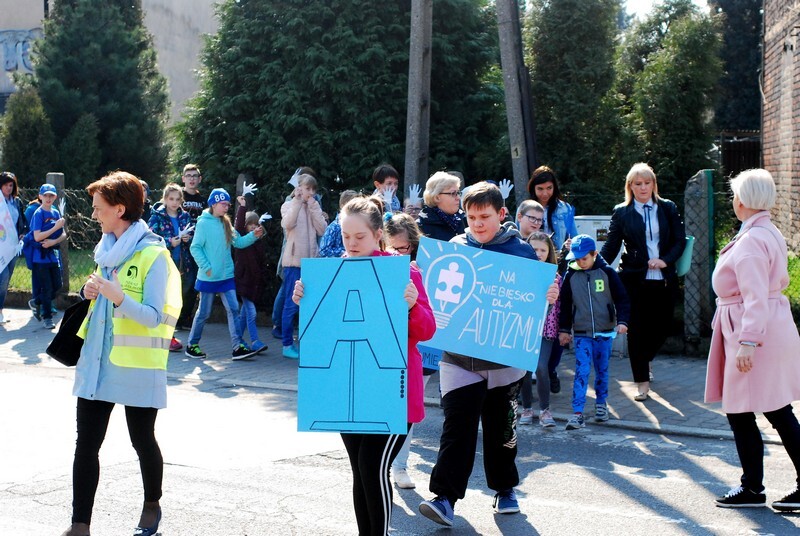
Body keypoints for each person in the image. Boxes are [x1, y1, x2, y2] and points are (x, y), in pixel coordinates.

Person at [292, 196, 435, 535]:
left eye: (360, 237)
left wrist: (413, 306)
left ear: (377, 236)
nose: (352, 244)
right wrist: (305, 299)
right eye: (346, 237)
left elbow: (427, 330)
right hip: (348, 393)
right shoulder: (331, 274)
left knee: (372, 467)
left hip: (390, 395)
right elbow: (322, 335)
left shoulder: (403, 271)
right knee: (361, 472)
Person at [419, 182, 559, 527]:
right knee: (456, 428)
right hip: (458, 358)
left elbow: (535, 302)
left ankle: (505, 489)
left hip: (505, 363)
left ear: (501, 214)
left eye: (485, 216)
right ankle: (444, 498)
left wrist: (549, 295)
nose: (478, 223)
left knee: (501, 430)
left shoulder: (522, 253)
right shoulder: (454, 248)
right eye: (471, 216)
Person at [61, 171, 182, 536]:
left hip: (136, 367)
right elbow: (100, 305)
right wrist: (88, 292)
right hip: (97, 363)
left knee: (142, 440)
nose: (94, 215)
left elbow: (154, 316)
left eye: (99, 208)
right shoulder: (106, 251)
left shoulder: (154, 255)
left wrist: (118, 296)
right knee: (86, 445)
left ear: (120, 208)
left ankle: (152, 503)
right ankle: (79, 525)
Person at [705, 169, 800, 511]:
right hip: (767, 328)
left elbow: (755, 296)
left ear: (741, 200)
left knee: (745, 411)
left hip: (751, 332)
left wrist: (748, 342)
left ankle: (752, 488)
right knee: (775, 409)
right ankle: (754, 486)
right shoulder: (766, 231)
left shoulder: (751, 241)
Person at [599, 163, 685, 401]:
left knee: (663, 326)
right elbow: (612, 246)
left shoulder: (668, 208)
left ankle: (644, 360)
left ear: (653, 185)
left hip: (663, 278)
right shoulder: (622, 212)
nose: (643, 187)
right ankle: (642, 383)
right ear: (631, 186)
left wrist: (665, 260)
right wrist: (594, 265)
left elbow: (680, 241)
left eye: (647, 183)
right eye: (638, 184)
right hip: (633, 278)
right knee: (636, 330)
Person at [558, 235, 630, 430]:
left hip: (604, 333)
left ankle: (601, 404)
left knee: (602, 370)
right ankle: (577, 413)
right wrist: (564, 329)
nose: (580, 262)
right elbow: (564, 305)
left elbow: (622, 299)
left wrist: (622, 321)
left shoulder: (607, 273)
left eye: (584, 258)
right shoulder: (571, 275)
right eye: (577, 258)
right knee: (581, 371)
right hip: (581, 333)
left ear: (594, 254)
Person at [185, 188, 263, 360]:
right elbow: (195, 248)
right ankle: (192, 345)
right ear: (213, 203)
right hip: (209, 277)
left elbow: (239, 243)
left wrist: (253, 236)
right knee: (204, 313)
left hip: (226, 276)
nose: (226, 207)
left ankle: (237, 347)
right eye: (223, 204)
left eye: (228, 204)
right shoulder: (203, 223)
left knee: (234, 309)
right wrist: (207, 267)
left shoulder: (226, 223)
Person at [383, 212, 429, 489]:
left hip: (408, 359)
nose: (400, 253)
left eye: (405, 248)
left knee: (406, 414)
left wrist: (413, 306)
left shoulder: (415, 271)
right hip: (380, 364)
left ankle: (399, 467)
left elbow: (426, 328)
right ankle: (390, 468)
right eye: (393, 248)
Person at [527, 166, 578, 395]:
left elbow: (573, 235)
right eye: (540, 188)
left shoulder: (565, 209)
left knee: (555, 324)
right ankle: (530, 371)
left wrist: (570, 246)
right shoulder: (529, 208)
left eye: (549, 188)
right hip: (532, 269)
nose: (545, 193)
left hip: (558, 267)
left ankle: (551, 369)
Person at [279, 174, 327, 358]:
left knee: (310, 304)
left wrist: (314, 206)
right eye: (307, 188)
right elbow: (287, 224)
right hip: (293, 263)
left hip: (311, 263)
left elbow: (322, 229)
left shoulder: (314, 206)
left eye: (313, 190)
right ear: (298, 188)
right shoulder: (288, 205)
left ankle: (307, 341)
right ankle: (287, 344)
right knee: (291, 305)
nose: (310, 193)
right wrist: (297, 202)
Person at [519, 231, 560, 427]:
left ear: (549, 252)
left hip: (546, 329)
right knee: (524, 369)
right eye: (534, 248)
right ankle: (526, 407)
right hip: (524, 327)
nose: (539, 253)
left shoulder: (555, 275)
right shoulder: (521, 273)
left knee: (541, 367)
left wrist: (563, 330)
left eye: (543, 250)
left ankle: (545, 409)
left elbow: (558, 305)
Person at [147, 183, 192, 352]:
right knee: (163, 299)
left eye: (177, 199)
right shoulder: (157, 216)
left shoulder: (185, 216)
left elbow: (192, 236)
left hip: (181, 263)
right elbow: (151, 238)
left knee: (176, 299)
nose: (174, 202)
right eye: (171, 199)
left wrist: (188, 239)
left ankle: (168, 333)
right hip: (163, 263)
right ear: (165, 199)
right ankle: (166, 335)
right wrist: (169, 242)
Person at [234, 195, 268, 353]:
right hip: (243, 282)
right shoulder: (241, 240)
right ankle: (254, 340)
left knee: (243, 315)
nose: (253, 228)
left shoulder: (259, 243)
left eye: (256, 225)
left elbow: (261, 264)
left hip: (253, 284)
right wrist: (242, 206)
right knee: (251, 313)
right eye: (250, 225)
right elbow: (238, 226)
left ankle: (238, 340)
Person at [31, 183, 67, 329]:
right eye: (45, 195)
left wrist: (54, 241)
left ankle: (36, 301)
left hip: (53, 255)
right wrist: (55, 227)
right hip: (40, 257)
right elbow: (37, 236)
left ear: (55, 197)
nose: (48, 198)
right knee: (47, 288)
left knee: (57, 285)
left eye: (51, 195)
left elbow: (63, 234)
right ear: (40, 196)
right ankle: (47, 317)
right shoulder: (38, 214)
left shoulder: (55, 212)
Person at [177, 164, 206, 330]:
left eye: (195, 175)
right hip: (179, 247)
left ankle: (186, 317)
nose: (192, 178)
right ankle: (176, 317)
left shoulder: (204, 201)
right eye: (188, 175)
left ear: (199, 179)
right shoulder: (178, 197)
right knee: (181, 283)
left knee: (193, 283)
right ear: (183, 179)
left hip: (197, 247)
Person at [0, 171, 27, 323]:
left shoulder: (16, 202)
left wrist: (22, 234)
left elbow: (22, 222)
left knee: (6, 278)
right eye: (5, 185)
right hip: (0, 247)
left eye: (11, 185)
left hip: (13, 247)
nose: (8, 188)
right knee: (2, 279)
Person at [416, 171, 467, 242]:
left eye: (458, 193)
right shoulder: (421, 226)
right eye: (453, 193)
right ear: (437, 197)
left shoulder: (463, 220)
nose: (458, 198)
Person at [319, 189, 358, 258]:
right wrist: (343, 252)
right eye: (353, 206)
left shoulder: (359, 226)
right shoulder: (334, 227)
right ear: (344, 206)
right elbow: (323, 250)